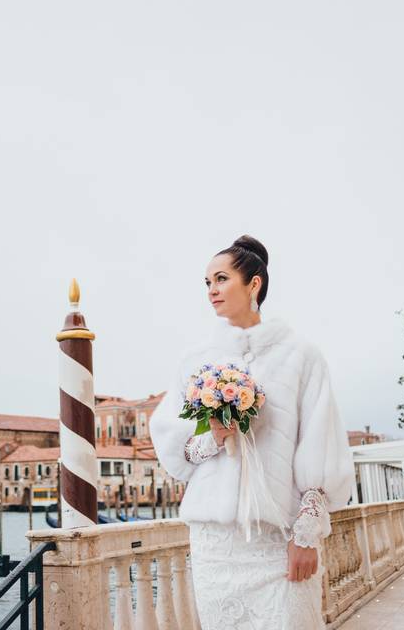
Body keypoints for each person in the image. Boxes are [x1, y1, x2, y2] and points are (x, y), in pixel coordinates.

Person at [149, 235, 353, 629]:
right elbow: (177, 450)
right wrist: (214, 436)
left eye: (221, 279)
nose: (212, 290)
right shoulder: (194, 360)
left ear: (254, 283)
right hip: (216, 546)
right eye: (207, 282)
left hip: (278, 538)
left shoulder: (301, 355)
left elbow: (320, 443)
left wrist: (306, 535)